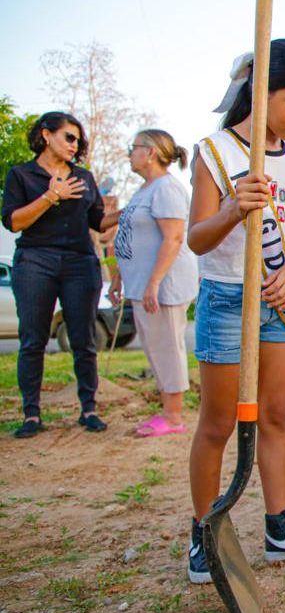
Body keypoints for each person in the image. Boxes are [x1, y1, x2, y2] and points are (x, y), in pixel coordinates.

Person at [186, 39, 285, 584]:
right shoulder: (216, 153)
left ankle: (279, 527)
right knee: (219, 422)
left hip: (279, 304)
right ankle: (206, 531)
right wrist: (232, 210)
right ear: (261, 89)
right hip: (228, 299)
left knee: (275, 417)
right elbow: (197, 239)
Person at [1, 111, 118, 438]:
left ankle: (89, 408)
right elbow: (14, 222)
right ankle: (31, 414)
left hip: (80, 262)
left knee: (84, 338)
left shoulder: (84, 177)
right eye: (69, 137)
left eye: (77, 141)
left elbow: (98, 222)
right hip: (36, 259)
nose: (74, 145)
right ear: (46, 134)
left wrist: (132, 209)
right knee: (33, 338)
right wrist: (51, 196)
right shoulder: (21, 176)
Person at [108, 129, 198, 437]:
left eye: (133, 148)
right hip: (141, 284)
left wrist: (154, 282)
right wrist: (119, 276)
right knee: (154, 348)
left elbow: (173, 238)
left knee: (167, 348)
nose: (129, 153)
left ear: (150, 153)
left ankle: (173, 417)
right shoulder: (144, 190)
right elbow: (131, 235)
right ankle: (166, 412)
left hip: (164, 286)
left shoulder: (166, 189)